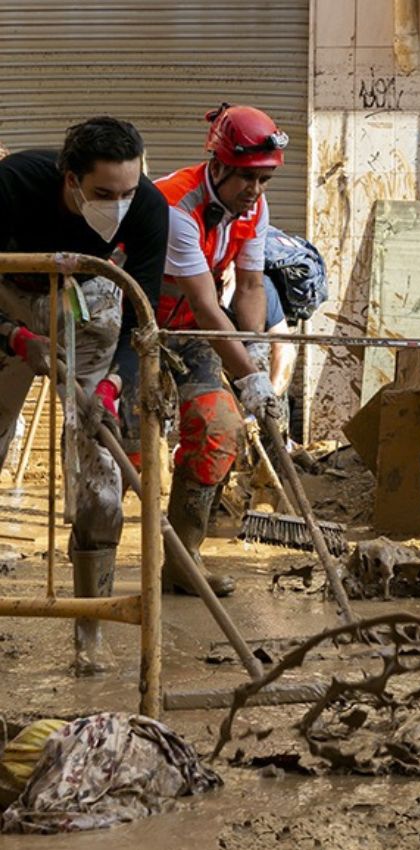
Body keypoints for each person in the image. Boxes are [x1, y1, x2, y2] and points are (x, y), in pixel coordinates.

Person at [0, 117, 169, 674]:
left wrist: (115, 384)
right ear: (70, 180)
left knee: (102, 485)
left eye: (127, 191)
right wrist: (17, 337)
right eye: (103, 194)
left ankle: (90, 630)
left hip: (89, 308)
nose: (119, 205)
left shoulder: (148, 208)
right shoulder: (13, 184)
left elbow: (143, 319)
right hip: (6, 304)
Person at [121, 103, 287, 598]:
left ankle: (183, 562)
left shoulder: (253, 207)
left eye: (264, 180)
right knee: (124, 457)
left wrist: (253, 353)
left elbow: (252, 286)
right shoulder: (175, 204)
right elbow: (207, 303)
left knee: (219, 429)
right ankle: (98, 580)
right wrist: (250, 378)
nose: (255, 192)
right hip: (135, 328)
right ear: (218, 166)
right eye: (247, 179)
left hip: (191, 332)